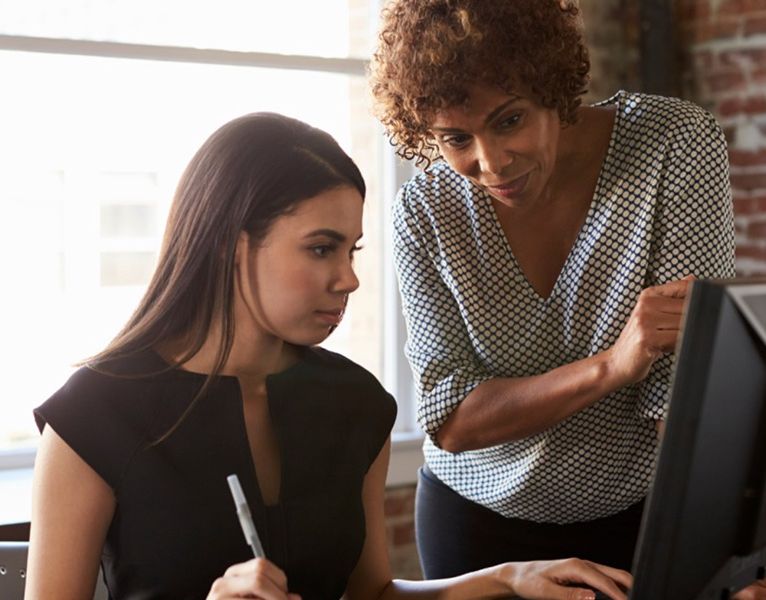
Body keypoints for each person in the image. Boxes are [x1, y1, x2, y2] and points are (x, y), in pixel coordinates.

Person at [26, 112, 632, 600]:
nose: (349, 279)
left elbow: (371, 593)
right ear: (231, 246)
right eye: (321, 250)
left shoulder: (356, 403)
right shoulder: (93, 417)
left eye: (352, 252)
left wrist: (505, 579)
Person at [369, 0, 741, 583]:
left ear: (552, 84)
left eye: (509, 120)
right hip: (474, 522)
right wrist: (613, 365)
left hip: (637, 515)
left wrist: (725, 557)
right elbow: (451, 419)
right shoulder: (424, 211)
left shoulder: (673, 144)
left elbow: (682, 393)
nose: (490, 163)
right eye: (455, 138)